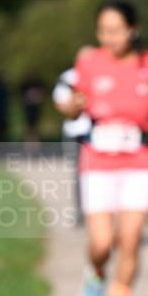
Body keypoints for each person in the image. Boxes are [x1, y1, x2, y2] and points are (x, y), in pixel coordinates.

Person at [56, 0, 148, 296]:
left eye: (115, 30)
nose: (108, 37)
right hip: (98, 161)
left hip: (140, 160)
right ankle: (95, 274)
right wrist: (72, 106)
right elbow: (71, 108)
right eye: (103, 31)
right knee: (101, 242)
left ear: (132, 30)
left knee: (130, 239)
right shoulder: (89, 62)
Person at [52, 48, 94, 227]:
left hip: (97, 132)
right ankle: (80, 212)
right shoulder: (67, 78)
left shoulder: (102, 75)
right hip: (75, 131)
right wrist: (75, 105)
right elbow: (60, 104)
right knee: (78, 173)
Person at [19, 76, 45, 147]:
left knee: (35, 127)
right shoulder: (26, 87)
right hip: (29, 108)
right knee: (29, 127)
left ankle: (36, 143)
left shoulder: (38, 86)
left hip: (35, 109)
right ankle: (28, 144)